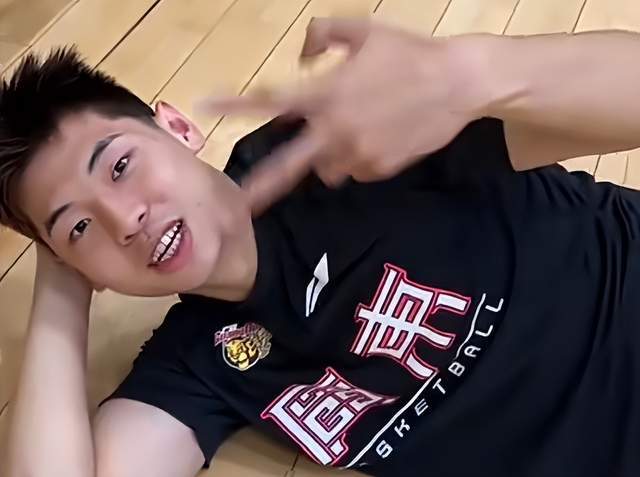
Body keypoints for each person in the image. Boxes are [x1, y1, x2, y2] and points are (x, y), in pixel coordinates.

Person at [2, 17, 640, 477]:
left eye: (119, 166)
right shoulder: (197, 365)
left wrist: (471, 74)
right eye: (79, 227)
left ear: (177, 127)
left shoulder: (341, 144)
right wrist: (61, 283)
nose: (124, 219)